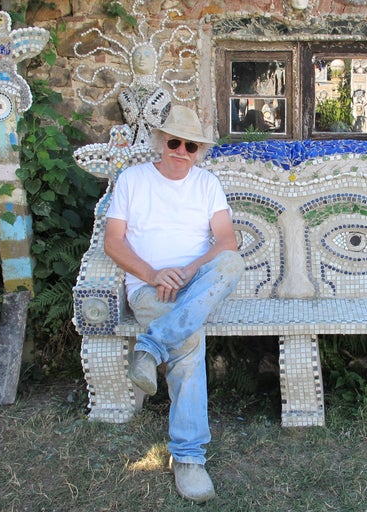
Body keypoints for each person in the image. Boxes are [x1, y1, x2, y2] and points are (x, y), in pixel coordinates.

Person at [104, 104, 245, 504]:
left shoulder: (206, 184)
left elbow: (226, 242)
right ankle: (187, 458)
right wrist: (152, 274)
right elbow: (113, 241)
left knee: (231, 262)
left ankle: (149, 347)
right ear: (160, 143)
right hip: (150, 287)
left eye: (192, 146)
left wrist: (188, 270)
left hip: (194, 284)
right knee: (188, 342)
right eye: (175, 142)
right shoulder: (133, 180)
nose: (182, 151)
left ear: (199, 151)